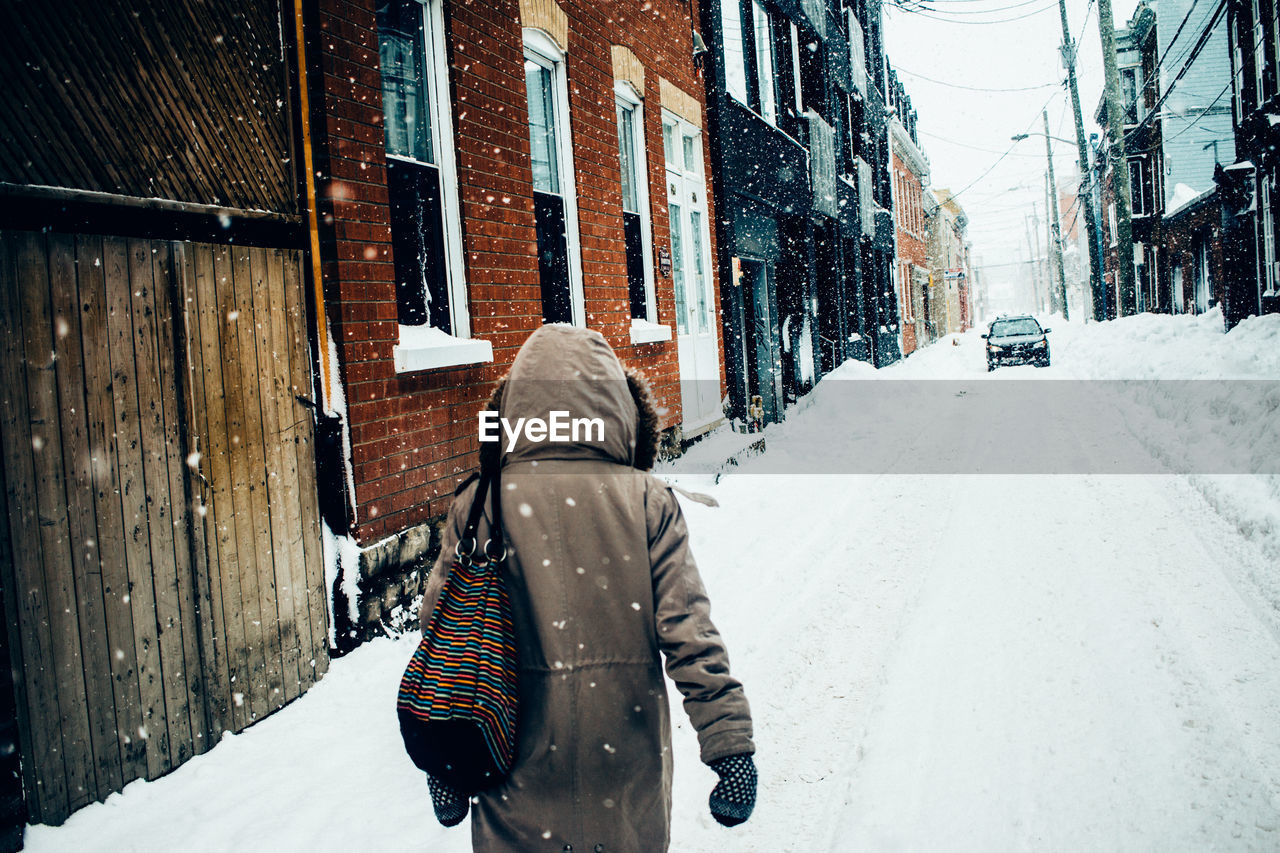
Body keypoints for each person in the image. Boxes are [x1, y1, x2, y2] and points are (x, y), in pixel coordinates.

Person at [417, 324, 756, 852]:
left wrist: (447, 763)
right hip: (620, 766)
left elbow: (443, 634)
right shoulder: (646, 500)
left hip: (509, 758)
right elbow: (688, 629)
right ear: (617, 408)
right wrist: (728, 742)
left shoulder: (481, 504)